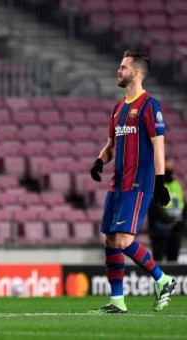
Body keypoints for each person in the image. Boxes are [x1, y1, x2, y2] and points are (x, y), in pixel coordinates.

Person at [90, 50, 175, 314]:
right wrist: (99, 161)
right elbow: (111, 145)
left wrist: (160, 181)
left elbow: (158, 146)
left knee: (125, 241)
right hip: (117, 184)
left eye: (123, 67)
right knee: (111, 240)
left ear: (136, 73)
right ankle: (118, 302)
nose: (119, 70)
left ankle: (163, 280)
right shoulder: (118, 109)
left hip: (138, 183)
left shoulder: (150, 105)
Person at [148, 159, 185, 262]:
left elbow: (183, 205)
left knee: (173, 262)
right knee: (158, 262)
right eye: (167, 168)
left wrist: (181, 223)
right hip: (159, 231)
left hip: (175, 231)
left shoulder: (177, 185)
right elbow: (154, 208)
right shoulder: (155, 185)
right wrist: (171, 220)